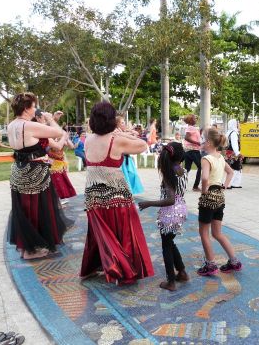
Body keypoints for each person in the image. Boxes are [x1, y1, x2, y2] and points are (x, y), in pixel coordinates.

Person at [80, 102, 154, 284]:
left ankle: (97, 265)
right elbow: (143, 145)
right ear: (111, 120)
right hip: (116, 195)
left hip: (94, 196)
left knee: (99, 234)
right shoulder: (116, 140)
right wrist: (119, 133)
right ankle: (123, 269)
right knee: (124, 234)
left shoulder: (88, 139)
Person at [7, 93, 71, 259]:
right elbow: (57, 132)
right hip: (34, 172)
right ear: (27, 108)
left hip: (18, 171)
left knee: (24, 209)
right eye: (34, 106)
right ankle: (31, 249)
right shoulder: (28, 125)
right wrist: (50, 119)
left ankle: (26, 247)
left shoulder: (11, 125)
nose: (35, 109)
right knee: (37, 209)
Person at [138, 142, 189, 291]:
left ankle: (171, 281)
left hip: (170, 212)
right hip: (180, 210)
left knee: (166, 245)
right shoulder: (181, 170)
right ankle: (182, 272)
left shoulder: (169, 174)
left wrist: (149, 203)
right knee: (170, 241)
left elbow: (170, 199)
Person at [197, 128, 242, 276]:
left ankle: (210, 264)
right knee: (217, 233)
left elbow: (204, 178)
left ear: (209, 143)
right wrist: (224, 187)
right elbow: (230, 172)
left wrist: (204, 191)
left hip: (208, 198)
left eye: (203, 139)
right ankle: (234, 261)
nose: (201, 142)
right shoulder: (220, 158)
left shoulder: (206, 159)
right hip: (219, 198)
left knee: (204, 233)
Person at [33, 109, 77, 202]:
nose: (46, 120)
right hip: (46, 161)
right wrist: (54, 120)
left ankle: (56, 199)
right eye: (44, 118)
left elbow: (68, 145)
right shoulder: (36, 128)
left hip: (55, 161)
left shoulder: (44, 129)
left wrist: (54, 120)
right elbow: (56, 145)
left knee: (57, 182)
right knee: (53, 183)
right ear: (37, 118)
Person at [116, 115, 144, 195]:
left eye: (124, 122)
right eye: (122, 123)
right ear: (117, 124)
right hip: (121, 159)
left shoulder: (123, 132)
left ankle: (128, 192)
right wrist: (131, 132)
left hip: (126, 158)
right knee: (124, 177)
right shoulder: (117, 132)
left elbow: (134, 136)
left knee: (132, 175)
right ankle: (125, 193)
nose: (124, 124)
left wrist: (131, 132)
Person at [183, 114, 202, 192]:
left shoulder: (192, 128)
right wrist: (197, 143)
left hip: (189, 150)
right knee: (201, 167)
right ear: (191, 120)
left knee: (187, 169)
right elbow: (186, 138)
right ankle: (195, 186)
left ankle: (180, 185)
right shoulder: (191, 127)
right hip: (193, 150)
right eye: (194, 118)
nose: (196, 119)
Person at [226, 119, 243, 189]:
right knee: (233, 168)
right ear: (235, 125)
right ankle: (229, 184)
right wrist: (238, 153)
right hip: (233, 154)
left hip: (229, 153)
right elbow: (234, 145)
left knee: (237, 168)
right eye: (238, 124)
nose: (239, 125)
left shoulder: (229, 132)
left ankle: (235, 183)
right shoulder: (233, 133)